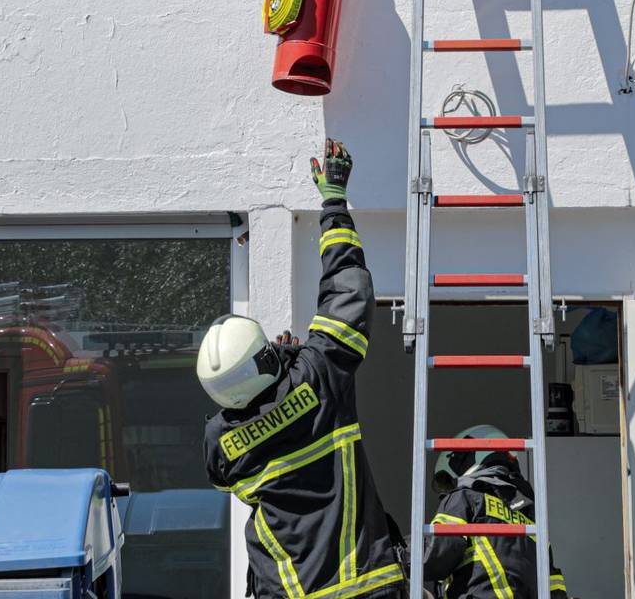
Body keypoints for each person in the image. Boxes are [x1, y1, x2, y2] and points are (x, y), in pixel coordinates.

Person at [199, 138, 407, 599]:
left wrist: (283, 373)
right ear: (265, 359)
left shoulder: (222, 444)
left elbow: (254, 435)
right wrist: (333, 200)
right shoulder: (317, 377)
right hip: (366, 584)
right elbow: (347, 291)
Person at [425, 426, 568, 599]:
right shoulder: (530, 518)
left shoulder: (464, 497)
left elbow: (437, 554)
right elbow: (553, 586)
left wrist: (397, 555)